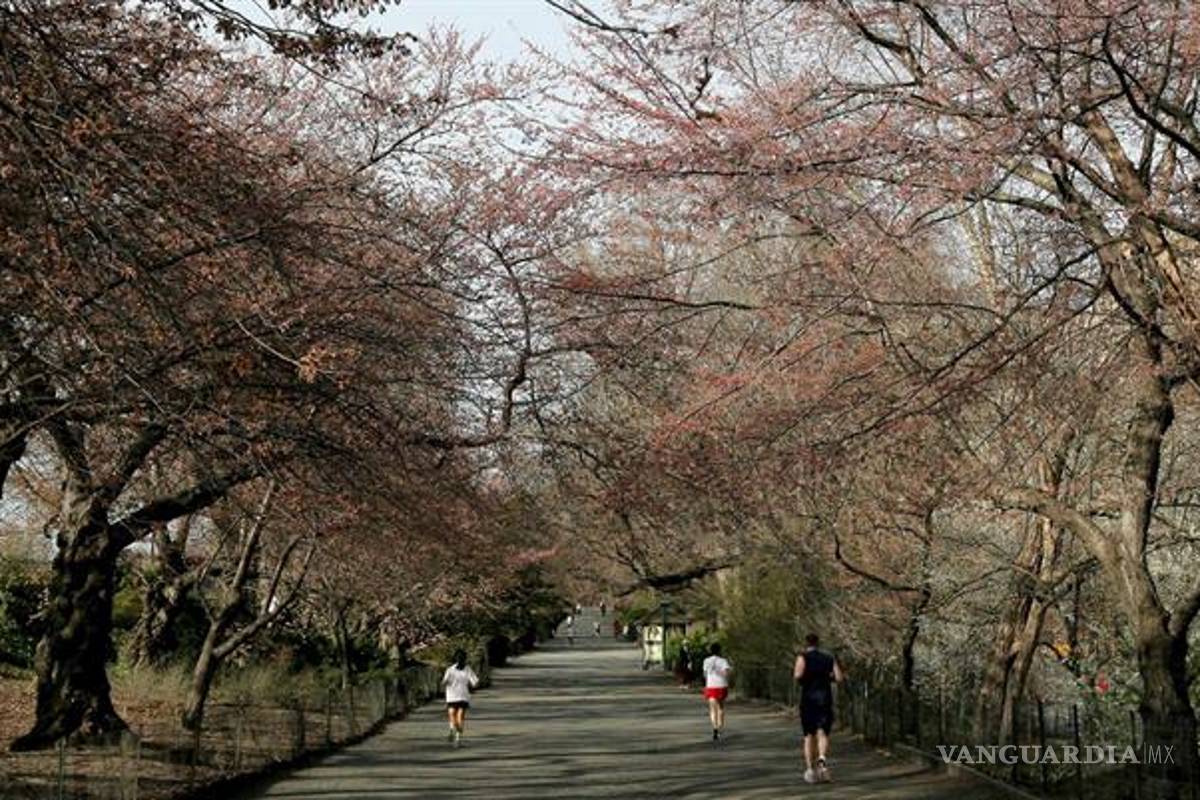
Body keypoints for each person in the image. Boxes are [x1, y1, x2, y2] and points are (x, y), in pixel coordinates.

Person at [794, 633, 844, 783]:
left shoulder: (803, 657)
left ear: (806, 643)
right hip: (825, 699)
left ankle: (810, 770)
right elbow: (839, 677)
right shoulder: (829, 658)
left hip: (809, 699)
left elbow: (797, 675)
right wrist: (827, 677)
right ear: (818, 643)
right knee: (822, 733)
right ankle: (822, 760)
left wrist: (807, 678)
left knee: (809, 736)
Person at [441, 649, 480, 748]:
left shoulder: (468, 669)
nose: (460, 659)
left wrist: (473, 685)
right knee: (452, 714)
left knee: (460, 715)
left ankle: (457, 738)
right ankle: (454, 728)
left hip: (463, 696)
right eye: (459, 658)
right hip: (452, 696)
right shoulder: (450, 670)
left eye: (462, 658)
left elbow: (475, 681)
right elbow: (444, 681)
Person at [702, 643, 732, 741]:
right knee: (721, 708)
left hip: (711, 686)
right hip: (721, 685)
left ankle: (715, 728)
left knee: (712, 709)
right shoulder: (723, 661)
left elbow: (705, 674)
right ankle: (720, 728)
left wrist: (710, 677)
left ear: (710, 650)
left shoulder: (706, 661)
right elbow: (727, 673)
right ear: (719, 650)